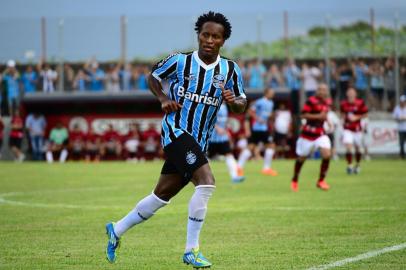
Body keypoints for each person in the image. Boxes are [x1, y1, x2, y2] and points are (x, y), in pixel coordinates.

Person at [105, 11, 247, 268]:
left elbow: (241, 103)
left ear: (223, 41)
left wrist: (234, 102)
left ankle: (116, 229)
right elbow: (153, 76)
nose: (209, 40)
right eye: (205, 34)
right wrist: (162, 98)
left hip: (200, 141)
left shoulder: (230, 70)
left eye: (216, 36)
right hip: (176, 132)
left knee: (161, 195)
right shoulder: (179, 61)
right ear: (198, 35)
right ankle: (191, 250)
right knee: (206, 182)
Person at [290, 83, 332, 192]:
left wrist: (328, 121)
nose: (322, 92)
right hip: (307, 135)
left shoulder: (328, 102)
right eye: (320, 89)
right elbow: (303, 115)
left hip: (320, 134)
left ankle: (321, 181)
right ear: (317, 91)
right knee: (301, 159)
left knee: (327, 154)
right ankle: (295, 179)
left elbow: (324, 115)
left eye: (324, 90)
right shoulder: (311, 101)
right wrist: (319, 116)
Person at [237, 88, 278, 177]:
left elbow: (267, 115)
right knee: (254, 147)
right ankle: (264, 168)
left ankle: (240, 167)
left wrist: (271, 117)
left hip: (264, 128)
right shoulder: (259, 102)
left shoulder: (271, 103)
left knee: (266, 146)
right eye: (271, 93)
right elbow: (250, 111)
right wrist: (257, 118)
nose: (272, 95)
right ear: (266, 93)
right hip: (257, 128)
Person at [208, 103, 244, 183]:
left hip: (223, 138)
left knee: (229, 155)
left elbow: (224, 121)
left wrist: (227, 131)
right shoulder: (214, 105)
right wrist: (217, 128)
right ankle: (199, 177)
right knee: (204, 159)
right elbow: (209, 119)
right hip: (212, 138)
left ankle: (235, 176)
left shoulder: (225, 107)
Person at [340, 87, 368, 174]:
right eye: (349, 92)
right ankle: (349, 165)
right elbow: (342, 114)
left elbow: (365, 114)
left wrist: (357, 117)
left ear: (355, 94)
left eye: (352, 92)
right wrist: (343, 119)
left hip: (357, 129)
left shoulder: (360, 103)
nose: (351, 94)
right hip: (347, 128)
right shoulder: (343, 104)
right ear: (347, 94)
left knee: (358, 149)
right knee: (348, 147)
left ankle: (358, 164)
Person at [393, 95, 406, 159]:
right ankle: (402, 156)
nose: (402, 102)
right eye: (401, 101)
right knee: (401, 143)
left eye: (403, 101)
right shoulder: (397, 108)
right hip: (401, 129)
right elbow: (395, 117)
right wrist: (399, 119)